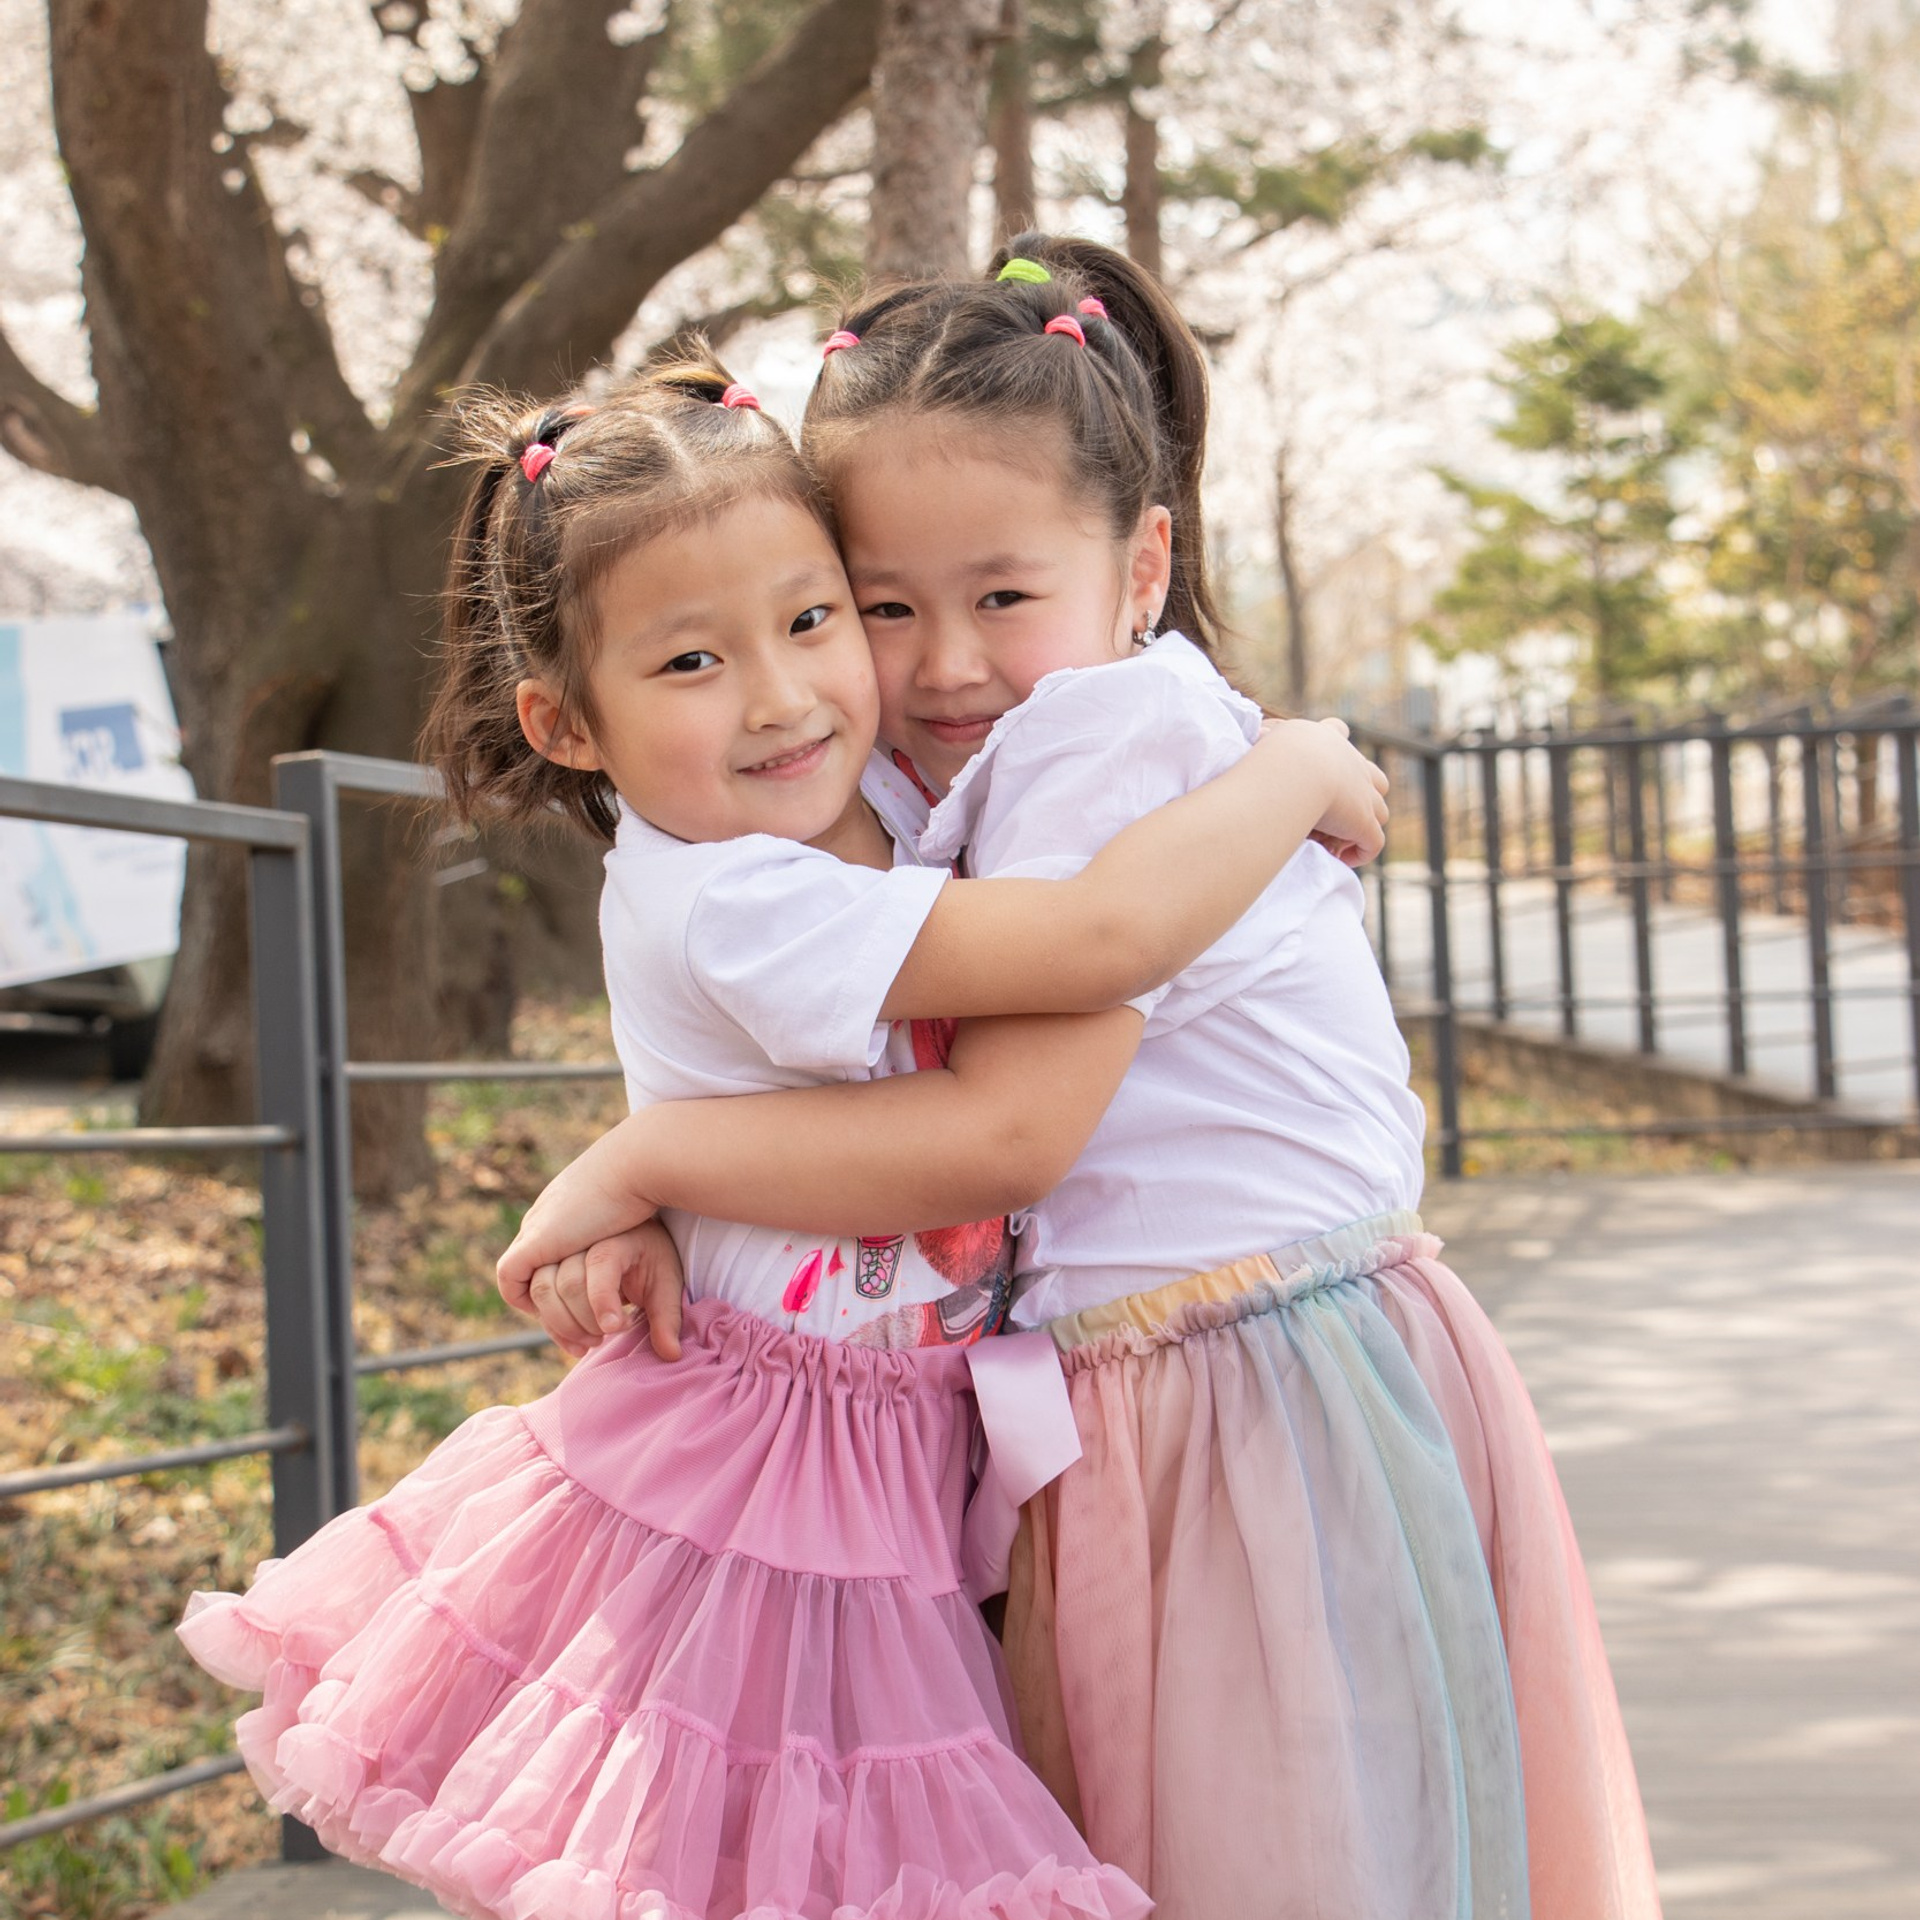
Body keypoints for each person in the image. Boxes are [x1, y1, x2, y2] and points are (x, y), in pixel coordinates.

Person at [499, 240, 1664, 1920]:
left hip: (1232, 1381)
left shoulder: (1095, 748)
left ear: (1144, 564)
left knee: (1268, 1854)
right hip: (1181, 1375)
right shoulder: (937, 787)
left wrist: (650, 1158)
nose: (948, 662)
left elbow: (1025, 1097)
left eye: (1001, 596)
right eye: (886, 608)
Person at [177, 354, 1392, 1920]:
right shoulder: (745, 895)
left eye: (816, 620)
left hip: (886, 1444)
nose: (779, 696)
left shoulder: (860, 802)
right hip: (773, 1469)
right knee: (759, 1863)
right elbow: (1092, 945)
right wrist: (1295, 762)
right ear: (565, 722)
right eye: (691, 663)